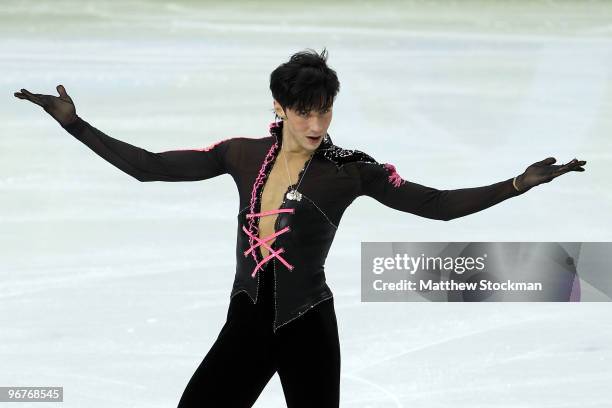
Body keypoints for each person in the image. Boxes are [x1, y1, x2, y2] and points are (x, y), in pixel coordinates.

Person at [14, 47, 586, 408]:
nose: (317, 123)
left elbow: (434, 205)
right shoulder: (240, 154)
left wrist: (516, 184)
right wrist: (76, 125)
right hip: (247, 319)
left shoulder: (351, 171)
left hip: (308, 323)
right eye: (305, 111)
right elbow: (149, 168)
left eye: (326, 109)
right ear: (280, 107)